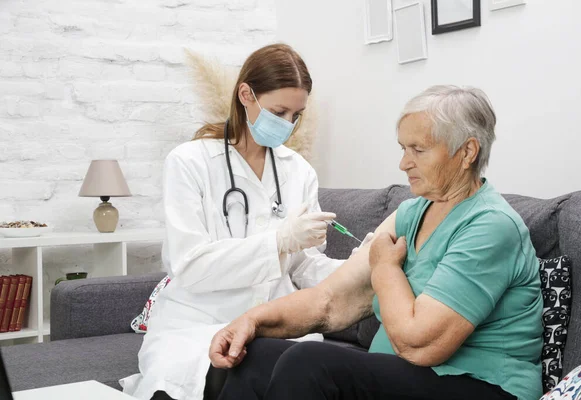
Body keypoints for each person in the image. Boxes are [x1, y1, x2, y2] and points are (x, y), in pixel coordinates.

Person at [209, 85, 544, 400]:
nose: (404, 163)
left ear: (467, 151)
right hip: (409, 378)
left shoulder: (490, 226)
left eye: (418, 150)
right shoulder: (411, 213)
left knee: (311, 362)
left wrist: (384, 268)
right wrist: (251, 321)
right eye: (403, 148)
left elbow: (421, 345)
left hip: (480, 385)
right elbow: (329, 301)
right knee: (254, 354)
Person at [120, 43, 349, 400]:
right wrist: (278, 241)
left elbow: (303, 266)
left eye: (296, 115)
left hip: (274, 326)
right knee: (217, 375)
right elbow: (190, 265)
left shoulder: (298, 171)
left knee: (278, 369)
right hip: (196, 325)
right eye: (279, 111)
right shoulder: (190, 162)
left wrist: (356, 268)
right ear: (246, 94)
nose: (288, 124)